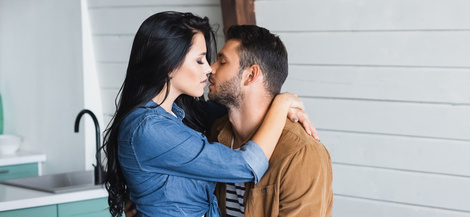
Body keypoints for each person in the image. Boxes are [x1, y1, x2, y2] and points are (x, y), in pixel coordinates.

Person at [102, 11, 316, 217]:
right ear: (168, 63)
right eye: (199, 60)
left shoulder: (182, 114)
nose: (209, 68)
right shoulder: (149, 128)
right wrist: (282, 102)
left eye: (218, 61)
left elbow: (243, 104)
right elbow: (246, 166)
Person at [207, 25, 333, 217]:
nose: (210, 68)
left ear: (250, 75)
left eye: (222, 62)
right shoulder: (217, 132)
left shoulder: (300, 153)